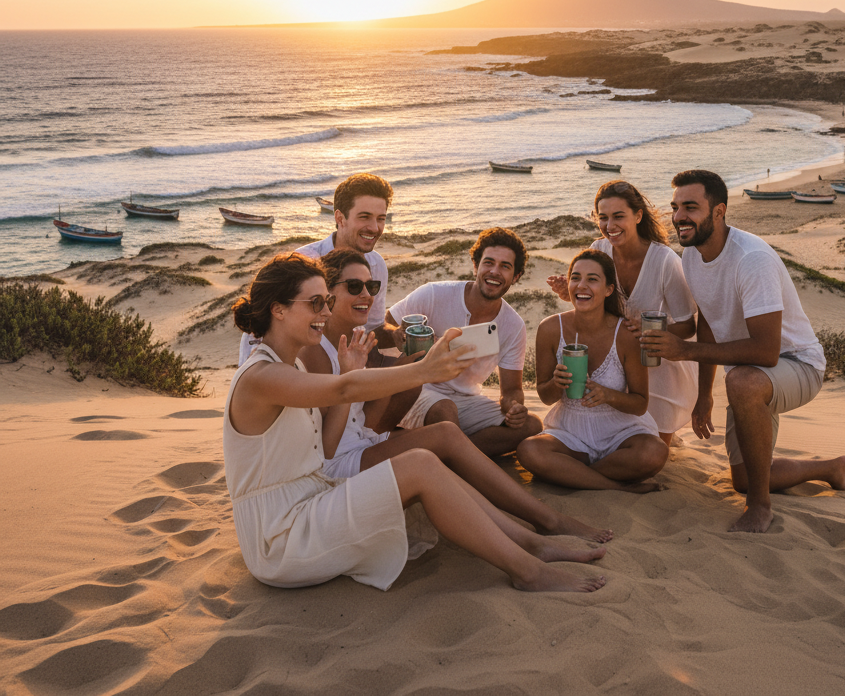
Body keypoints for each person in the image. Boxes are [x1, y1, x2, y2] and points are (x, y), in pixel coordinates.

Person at [224, 252, 607, 593]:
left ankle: (531, 542)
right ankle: (528, 569)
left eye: (326, 301)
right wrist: (423, 368)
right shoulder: (261, 376)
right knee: (422, 461)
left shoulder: (289, 366)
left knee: (428, 456)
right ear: (278, 309)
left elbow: (324, 448)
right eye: (315, 303)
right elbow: (342, 392)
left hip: (310, 501)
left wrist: (350, 375)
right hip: (279, 538)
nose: (325, 311)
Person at [299, 248, 612, 543]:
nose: (367, 296)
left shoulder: (352, 338)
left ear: (515, 276)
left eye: (372, 286)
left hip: (363, 442)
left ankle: (539, 522)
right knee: (444, 430)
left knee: (455, 433)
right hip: (338, 464)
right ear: (327, 292)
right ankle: (542, 523)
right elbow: (327, 442)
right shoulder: (315, 349)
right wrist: (405, 370)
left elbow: (374, 397)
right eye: (355, 286)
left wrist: (416, 365)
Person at [640, 169, 845, 533]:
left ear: (718, 212)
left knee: (741, 382)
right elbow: (707, 321)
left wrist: (684, 351)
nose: (678, 217)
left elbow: (767, 352)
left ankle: (760, 507)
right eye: (675, 207)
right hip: (751, 374)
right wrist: (704, 393)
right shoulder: (692, 256)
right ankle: (831, 467)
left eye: (691, 207)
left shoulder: (751, 259)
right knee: (744, 477)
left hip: (798, 365)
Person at [547, 180, 696, 444]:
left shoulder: (665, 262)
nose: (609, 226)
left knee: (655, 446)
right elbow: (596, 305)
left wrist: (649, 331)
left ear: (638, 216)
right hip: (615, 358)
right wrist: (571, 295)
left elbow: (688, 326)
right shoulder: (598, 250)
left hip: (657, 363)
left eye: (618, 216)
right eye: (602, 217)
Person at [519, 249, 667, 492]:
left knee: (654, 452)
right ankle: (617, 487)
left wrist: (607, 394)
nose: (582, 286)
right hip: (570, 432)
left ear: (608, 289)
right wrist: (557, 384)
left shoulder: (626, 334)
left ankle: (574, 476)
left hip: (621, 432)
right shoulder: (550, 329)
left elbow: (640, 403)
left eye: (592, 279)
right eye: (575, 278)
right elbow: (545, 397)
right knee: (529, 450)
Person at [386, 228, 543, 457]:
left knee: (531, 425)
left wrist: (514, 407)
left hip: (466, 400)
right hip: (416, 390)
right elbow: (385, 324)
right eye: (488, 263)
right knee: (444, 410)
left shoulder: (513, 325)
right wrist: (395, 333)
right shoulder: (434, 294)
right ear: (475, 266)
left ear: (516, 276)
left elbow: (511, 390)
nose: (494, 271)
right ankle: (459, 458)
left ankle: (449, 454)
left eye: (505, 266)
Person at [238, 173, 397, 368]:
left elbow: (372, 328)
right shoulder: (304, 264)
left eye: (381, 219)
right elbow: (260, 327)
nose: (374, 228)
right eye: (364, 217)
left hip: (344, 367)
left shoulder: (376, 265)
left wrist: (396, 334)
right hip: (293, 374)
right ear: (340, 217)